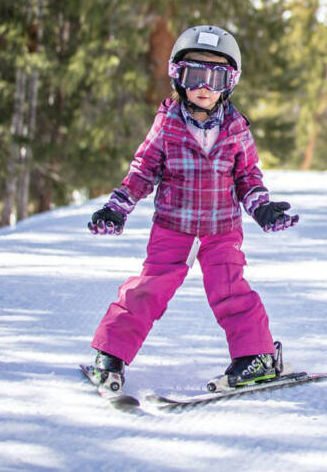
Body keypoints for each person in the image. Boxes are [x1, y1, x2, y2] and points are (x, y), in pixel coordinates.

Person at [86, 25, 299, 392]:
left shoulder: (236, 127)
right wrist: (116, 208)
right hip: (173, 226)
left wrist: (263, 209)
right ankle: (111, 353)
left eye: (215, 77)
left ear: (230, 82)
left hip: (221, 229)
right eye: (194, 74)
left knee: (231, 290)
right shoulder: (167, 124)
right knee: (148, 289)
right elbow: (142, 171)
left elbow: (248, 176)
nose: (204, 86)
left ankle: (255, 356)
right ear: (177, 77)